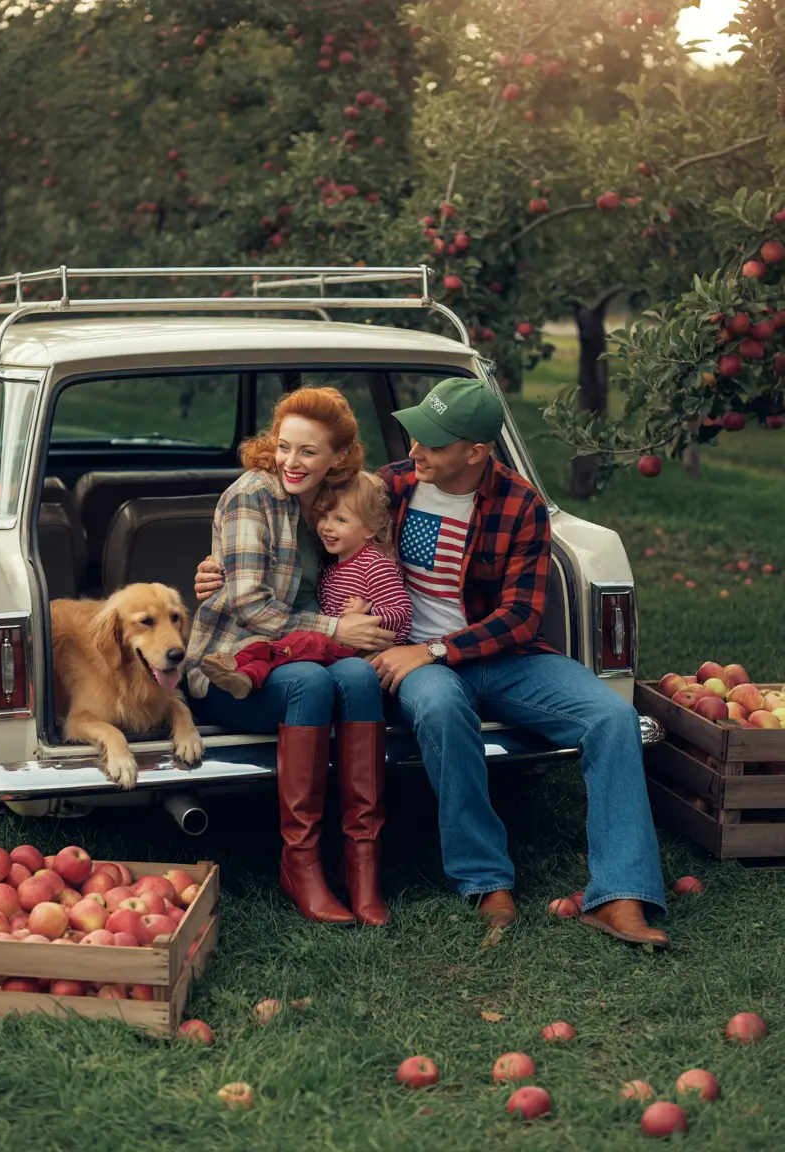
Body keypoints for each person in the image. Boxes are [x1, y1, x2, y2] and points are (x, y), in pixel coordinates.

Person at [195, 377, 668, 949]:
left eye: (432, 443)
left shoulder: (521, 505)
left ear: (475, 453)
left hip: (501, 657)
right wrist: (218, 567)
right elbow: (313, 519)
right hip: (415, 664)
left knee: (612, 716)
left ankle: (621, 895)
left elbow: (521, 616)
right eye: (415, 436)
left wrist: (439, 648)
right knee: (443, 711)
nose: (413, 450)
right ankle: (485, 879)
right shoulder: (390, 487)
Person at [185, 387, 396, 928]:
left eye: (308, 451)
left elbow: (401, 489)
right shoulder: (251, 495)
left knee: (359, 676)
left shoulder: (336, 500)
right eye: (284, 448)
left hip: (309, 652)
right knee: (312, 683)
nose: (291, 463)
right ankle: (299, 863)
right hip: (233, 664)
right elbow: (249, 599)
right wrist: (335, 625)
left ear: (339, 457)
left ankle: (362, 864)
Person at [201, 470, 411, 699]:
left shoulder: (376, 563)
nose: (327, 527)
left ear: (370, 529)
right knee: (285, 650)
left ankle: (241, 667)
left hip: (362, 648)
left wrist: (367, 614)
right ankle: (242, 674)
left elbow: (401, 612)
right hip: (338, 642)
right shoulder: (331, 567)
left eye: (340, 520)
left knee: (301, 642)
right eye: (323, 516)